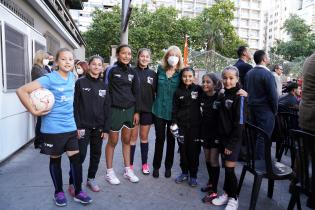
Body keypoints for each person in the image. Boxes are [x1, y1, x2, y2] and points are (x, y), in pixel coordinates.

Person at [16, 48, 92, 206]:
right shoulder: (49, 78)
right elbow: (21, 91)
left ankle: (78, 191)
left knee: (76, 160)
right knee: (55, 160)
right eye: (63, 59)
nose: (67, 62)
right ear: (56, 62)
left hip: (70, 126)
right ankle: (58, 192)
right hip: (53, 129)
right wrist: (33, 110)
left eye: (70, 59)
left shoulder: (73, 77)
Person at [68, 55, 109, 195]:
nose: (97, 67)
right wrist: (78, 126)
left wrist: (106, 128)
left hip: (98, 128)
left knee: (96, 155)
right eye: (94, 64)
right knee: (80, 156)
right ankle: (73, 181)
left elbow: (106, 108)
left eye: (99, 64)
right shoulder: (80, 82)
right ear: (89, 65)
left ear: (102, 67)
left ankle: (91, 179)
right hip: (83, 127)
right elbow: (75, 106)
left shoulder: (104, 85)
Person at [105, 44, 140, 185]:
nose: (126, 56)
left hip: (130, 110)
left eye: (129, 54)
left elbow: (136, 93)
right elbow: (106, 92)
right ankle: (109, 172)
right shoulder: (111, 70)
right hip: (114, 110)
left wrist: (136, 111)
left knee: (127, 141)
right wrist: (106, 114)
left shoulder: (133, 72)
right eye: (124, 53)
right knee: (112, 141)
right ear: (118, 54)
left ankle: (127, 170)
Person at [211, 66, 246, 210]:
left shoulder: (240, 97)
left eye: (231, 78)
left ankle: (234, 198)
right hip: (222, 138)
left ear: (237, 79)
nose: (228, 81)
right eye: (225, 78)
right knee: (226, 167)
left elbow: (240, 124)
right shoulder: (223, 94)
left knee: (230, 170)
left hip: (233, 140)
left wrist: (231, 145)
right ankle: (227, 193)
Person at [151, 45, 184, 178]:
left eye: (176, 55)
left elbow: (189, 86)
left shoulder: (181, 73)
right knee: (159, 139)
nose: (173, 58)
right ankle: (156, 166)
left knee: (171, 140)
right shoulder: (160, 69)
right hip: (158, 110)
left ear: (179, 58)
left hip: (173, 113)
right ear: (166, 56)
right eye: (171, 55)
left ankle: (168, 167)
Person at [245, 50, 278, 160]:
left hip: (251, 109)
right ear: (264, 59)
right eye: (267, 56)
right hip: (265, 110)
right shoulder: (267, 74)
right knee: (263, 137)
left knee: (255, 136)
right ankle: (260, 165)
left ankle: (254, 162)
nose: (268, 58)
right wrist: (274, 111)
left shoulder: (249, 73)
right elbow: (273, 96)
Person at [172, 68, 202, 187]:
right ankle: (184, 172)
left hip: (195, 127)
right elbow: (174, 109)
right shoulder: (178, 91)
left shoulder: (198, 89)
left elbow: (210, 95)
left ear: (194, 77)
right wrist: (174, 123)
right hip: (182, 127)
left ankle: (193, 175)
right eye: (185, 76)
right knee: (183, 151)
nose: (187, 78)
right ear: (181, 77)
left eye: (190, 76)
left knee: (193, 152)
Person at [130, 49, 156, 175]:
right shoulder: (132, 72)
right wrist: (135, 111)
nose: (144, 58)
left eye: (147, 57)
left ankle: (145, 164)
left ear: (149, 59)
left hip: (147, 111)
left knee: (144, 138)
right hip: (133, 111)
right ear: (138, 57)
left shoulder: (153, 74)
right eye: (142, 56)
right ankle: (129, 165)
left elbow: (156, 93)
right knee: (133, 138)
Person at [199, 73, 222, 203]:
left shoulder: (220, 96)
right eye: (203, 81)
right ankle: (210, 182)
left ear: (214, 83)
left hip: (216, 134)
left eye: (208, 82)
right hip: (205, 132)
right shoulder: (202, 95)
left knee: (214, 160)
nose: (205, 84)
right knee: (207, 158)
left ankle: (214, 191)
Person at [31, 50, 50, 149]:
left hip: (44, 96)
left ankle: (42, 140)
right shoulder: (36, 69)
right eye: (46, 58)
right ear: (40, 58)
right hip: (39, 97)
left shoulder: (44, 67)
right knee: (41, 120)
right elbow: (43, 80)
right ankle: (38, 141)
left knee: (43, 119)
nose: (47, 60)